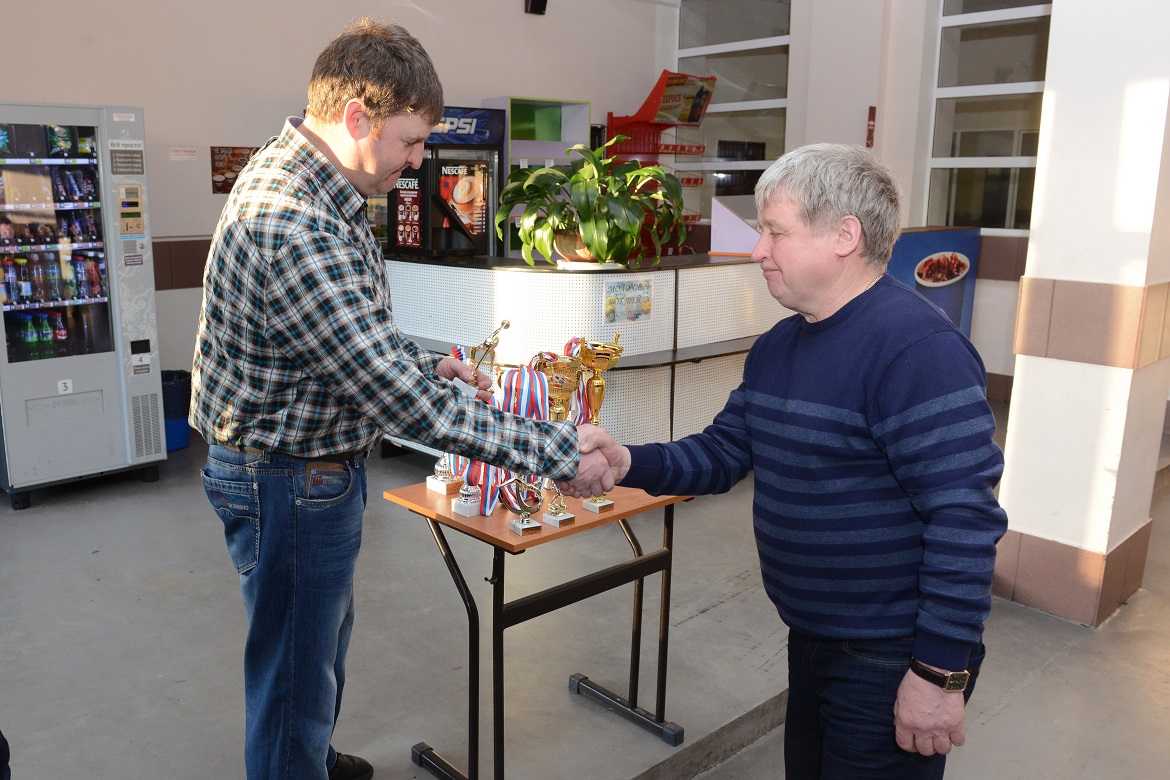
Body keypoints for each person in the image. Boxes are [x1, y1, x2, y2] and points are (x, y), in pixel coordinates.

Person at [190, 18, 613, 780]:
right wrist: (555, 450)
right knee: (294, 674)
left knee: (316, 647)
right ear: (357, 118)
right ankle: (296, 760)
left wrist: (423, 366)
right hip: (287, 477)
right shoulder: (296, 222)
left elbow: (345, 342)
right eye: (411, 142)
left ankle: (311, 754)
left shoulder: (316, 181)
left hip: (303, 464)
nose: (418, 161)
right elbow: (400, 403)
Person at [567, 143, 1008, 779]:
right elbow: (723, 452)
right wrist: (626, 461)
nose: (758, 251)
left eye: (775, 232)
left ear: (844, 236)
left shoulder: (918, 350)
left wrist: (938, 673)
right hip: (814, 638)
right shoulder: (778, 345)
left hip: (891, 654)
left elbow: (965, 519)